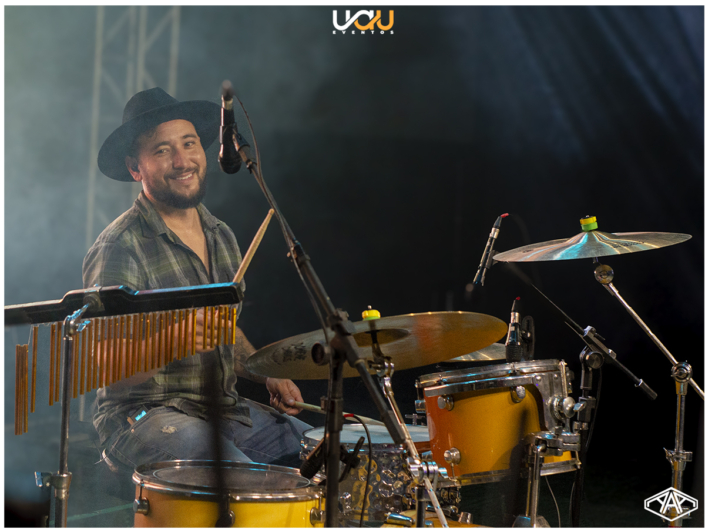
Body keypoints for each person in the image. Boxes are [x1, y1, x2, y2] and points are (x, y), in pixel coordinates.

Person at [84, 87, 309, 471]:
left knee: (329, 456)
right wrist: (174, 339)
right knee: (240, 478)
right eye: (162, 150)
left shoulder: (221, 236)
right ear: (135, 168)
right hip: (144, 415)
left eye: (189, 144)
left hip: (222, 410)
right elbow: (106, 368)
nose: (182, 160)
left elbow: (223, 330)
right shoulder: (120, 246)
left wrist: (264, 374)